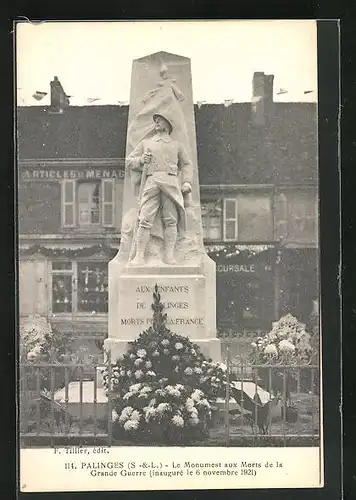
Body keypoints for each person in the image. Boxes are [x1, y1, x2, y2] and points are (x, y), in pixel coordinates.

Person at [127, 112, 192, 265]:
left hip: (171, 182)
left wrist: (187, 182)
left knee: (171, 220)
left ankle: (169, 255)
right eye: (156, 120)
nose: (156, 122)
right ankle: (139, 256)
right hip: (152, 181)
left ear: (168, 125)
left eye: (160, 120)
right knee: (144, 219)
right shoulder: (146, 143)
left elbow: (187, 164)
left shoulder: (177, 146)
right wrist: (141, 160)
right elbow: (129, 161)